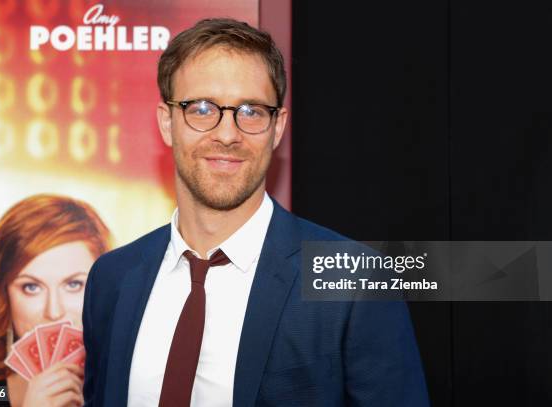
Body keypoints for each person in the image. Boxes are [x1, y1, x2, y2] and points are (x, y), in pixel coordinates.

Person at [83, 18, 429, 407]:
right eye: (201, 108)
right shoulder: (111, 280)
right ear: (167, 122)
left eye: (250, 111)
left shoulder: (352, 283)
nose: (228, 134)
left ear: (277, 127)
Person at [0, 194, 111, 407]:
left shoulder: (133, 391)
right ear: (3, 297)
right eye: (31, 287)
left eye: (74, 284)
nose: (54, 311)